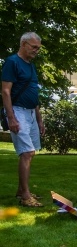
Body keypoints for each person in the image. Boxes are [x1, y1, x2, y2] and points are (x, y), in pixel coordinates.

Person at [1, 32, 45, 207]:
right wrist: (11, 117)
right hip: (17, 112)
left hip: (31, 113)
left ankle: (21, 189)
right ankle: (26, 197)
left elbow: (33, 93)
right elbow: (5, 91)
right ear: (23, 44)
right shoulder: (12, 62)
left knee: (31, 152)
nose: (36, 51)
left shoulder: (30, 65)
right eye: (34, 47)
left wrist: (40, 120)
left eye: (38, 48)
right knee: (27, 153)